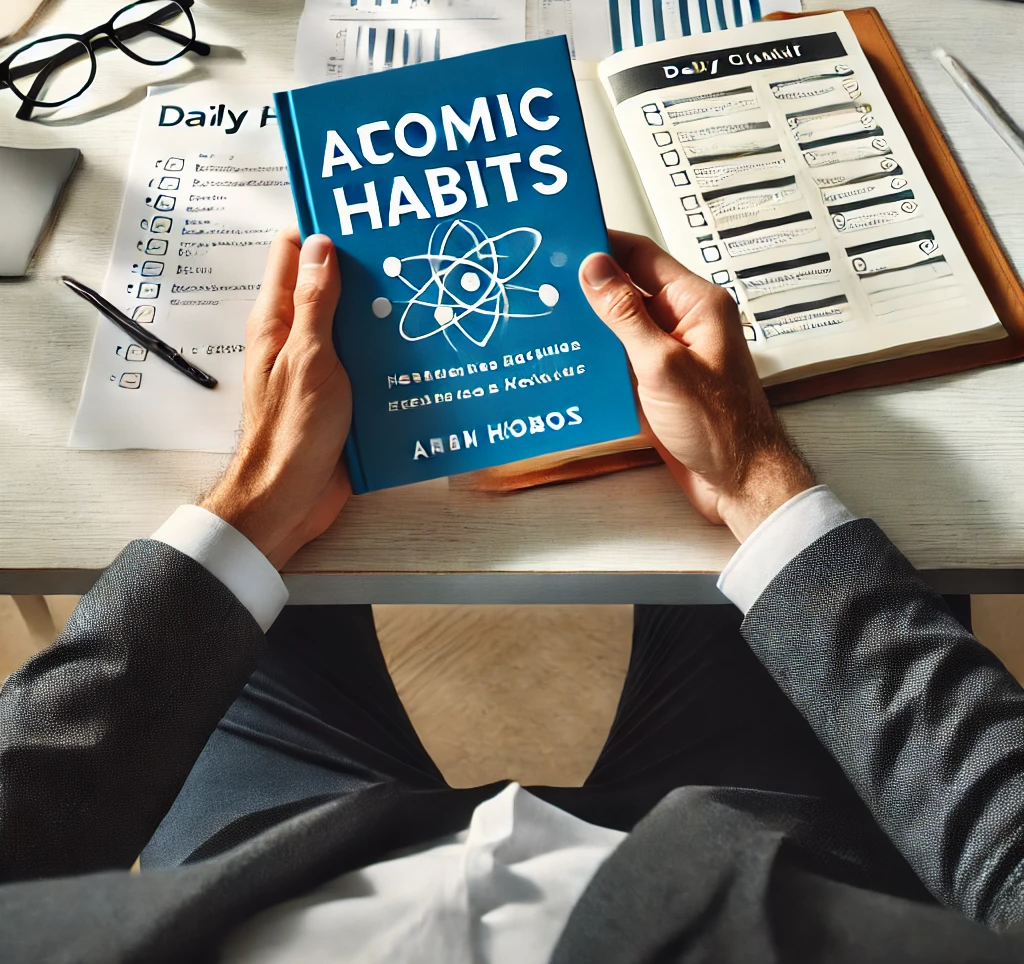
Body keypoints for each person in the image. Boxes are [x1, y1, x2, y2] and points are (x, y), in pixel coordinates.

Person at [2, 229, 1024, 963]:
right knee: (750, 598)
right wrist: (755, 476)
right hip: (781, 875)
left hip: (267, 870)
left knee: (259, 624)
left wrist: (258, 505)